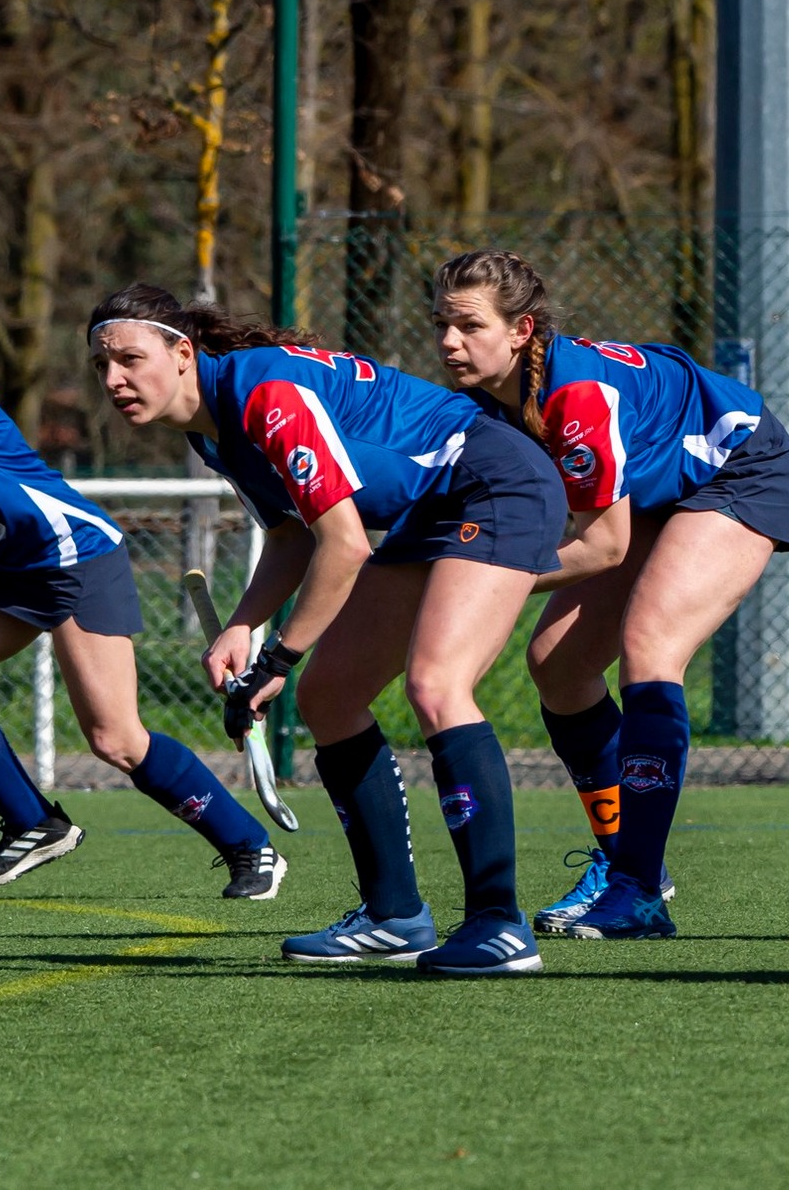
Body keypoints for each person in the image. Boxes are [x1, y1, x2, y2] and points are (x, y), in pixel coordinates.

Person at [88, 283, 566, 976]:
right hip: (432, 509)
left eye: (130, 359)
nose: (113, 380)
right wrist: (242, 629)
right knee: (331, 695)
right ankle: (394, 914)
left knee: (437, 686)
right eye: (103, 366)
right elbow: (289, 536)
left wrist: (279, 654)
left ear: (182, 351)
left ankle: (498, 924)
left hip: (497, 483)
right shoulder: (212, 428)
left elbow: (343, 544)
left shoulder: (264, 396)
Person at [0, 264, 284, 899]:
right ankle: (34, 823)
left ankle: (250, 847)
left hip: (74, 555)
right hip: (10, 561)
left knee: (115, 739)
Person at [429, 250, 789, 940]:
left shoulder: (574, 397)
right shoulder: (484, 402)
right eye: (441, 324)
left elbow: (602, 545)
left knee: (648, 646)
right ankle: (625, 860)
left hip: (740, 471)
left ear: (522, 330)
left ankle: (639, 889)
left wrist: (480, 577)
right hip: (658, 491)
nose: (449, 342)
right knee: (558, 663)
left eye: (467, 325)